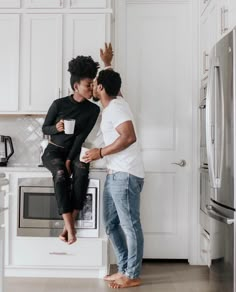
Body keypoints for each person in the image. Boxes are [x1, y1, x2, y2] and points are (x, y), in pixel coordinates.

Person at [84, 69, 145, 289]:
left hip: (125, 175)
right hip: (115, 174)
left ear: (101, 88)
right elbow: (114, 85)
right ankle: (123, 268)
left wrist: (99, 153)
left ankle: (132, 274)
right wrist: (108, 64)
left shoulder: (116, 107)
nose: (91, 86)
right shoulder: (115, 104)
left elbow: (129, 136)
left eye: (94, 83)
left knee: (130, 225)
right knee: (110, 224)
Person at [41, 55, 100, 245]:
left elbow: (80, 137)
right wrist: (55, 128)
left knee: (82, 171)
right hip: (54, 151)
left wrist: (70, 160)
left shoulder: (93, 110)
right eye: (87, 85)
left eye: (93, 84)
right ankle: (71, 228)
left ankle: (67, 227)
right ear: (76, 86)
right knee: (60, 174)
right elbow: (45, 128)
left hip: (74, 151)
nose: (91, 89)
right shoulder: (59, 104)